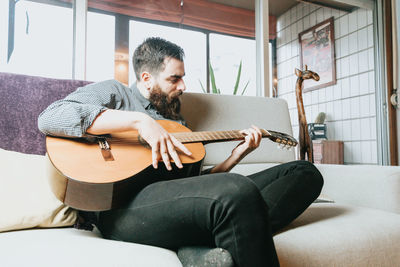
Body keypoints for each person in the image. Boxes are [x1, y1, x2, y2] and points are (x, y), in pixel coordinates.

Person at [38, 37, 323, 267]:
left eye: (183, 78)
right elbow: (51, 116)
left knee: (303, 173)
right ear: (147, 78)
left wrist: (238, 155)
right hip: (120, 207)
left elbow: (198, 185)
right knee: (235, 191)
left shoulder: (176, 123)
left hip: (176, 203)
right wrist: (139, 121)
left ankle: (200, 241)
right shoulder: (116, 93)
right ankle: (206, 238)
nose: (183, 86)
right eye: (174, 79)